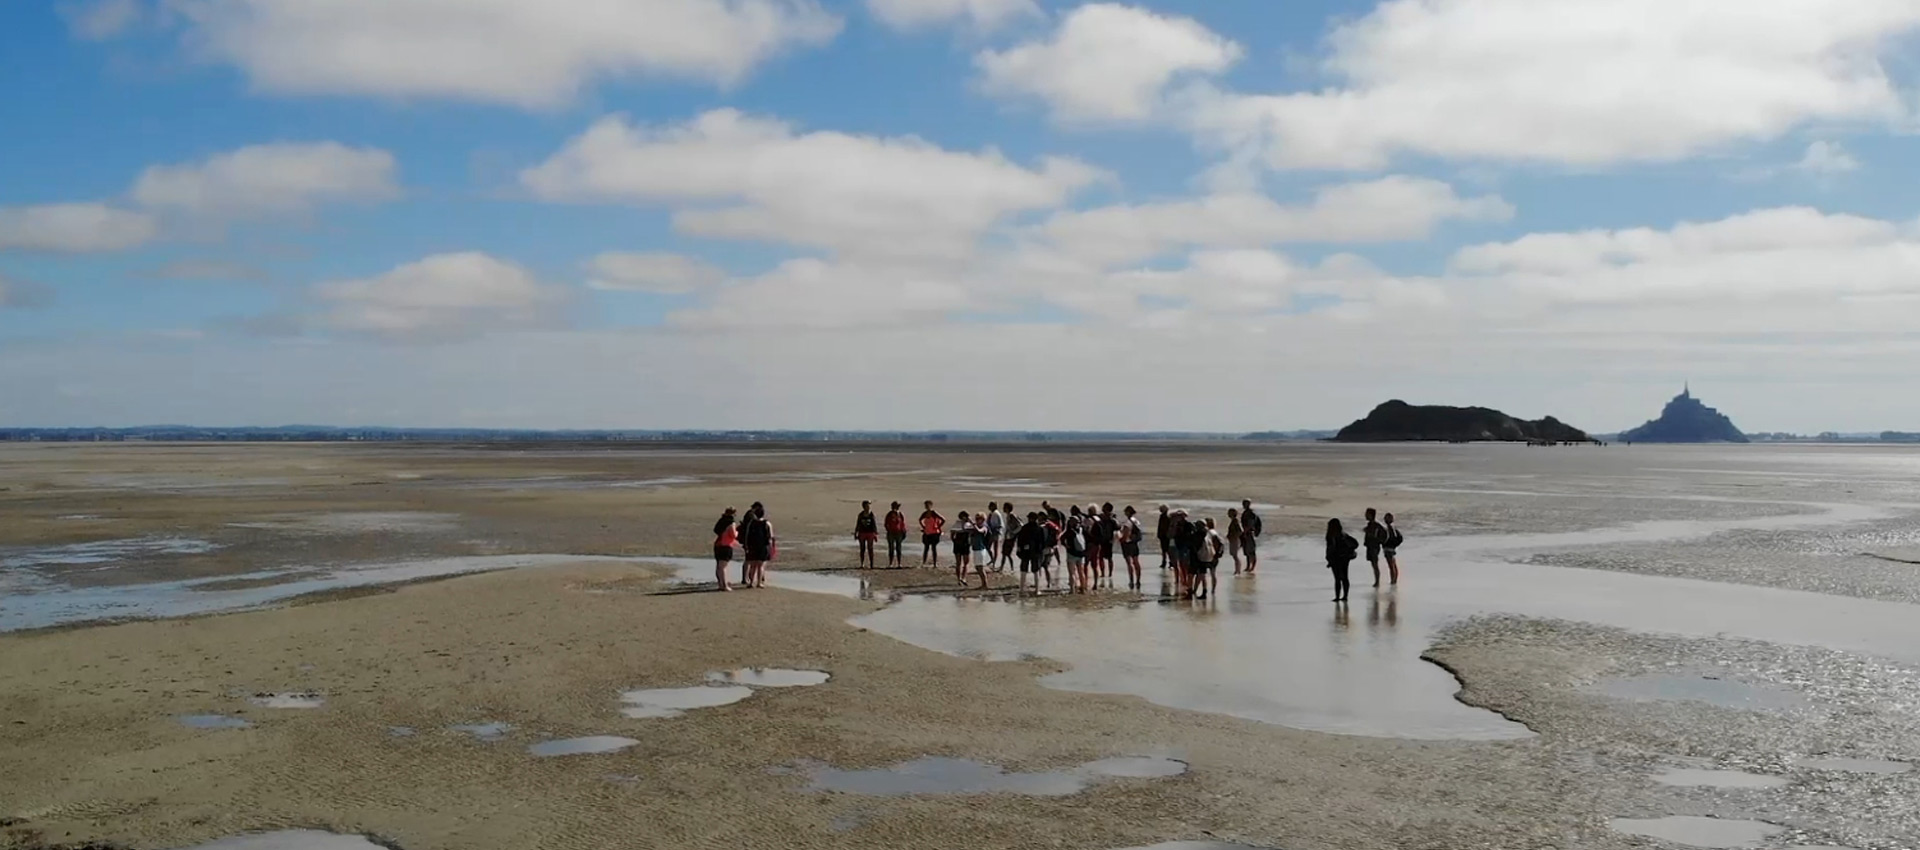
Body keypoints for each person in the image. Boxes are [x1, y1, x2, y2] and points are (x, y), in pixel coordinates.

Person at [740, 503, 777, 589]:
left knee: (753, 565)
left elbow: (747, 536)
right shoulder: (767, 523)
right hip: (763, 546)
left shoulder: (751, 523)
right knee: (761, 566)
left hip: (753, 546)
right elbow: (771, 537)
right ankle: (759, 582)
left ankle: (751, 582)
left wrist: (746, 546)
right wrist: (772, 548)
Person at [1325, 518, 1359, 602]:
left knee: (1337, 578)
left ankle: (1337, 596)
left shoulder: (1330, 536)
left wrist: (1329, 559)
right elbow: (1355, 543)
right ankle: (1345, 596)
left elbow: (1330, 549)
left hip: (1336, 559)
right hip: (1344, 558)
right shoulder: (1343, 534)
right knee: (1344, 577)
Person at [1016, 512, 1046, 595]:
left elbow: (1020, 540)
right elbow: (1043, 542)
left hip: (1026, 552)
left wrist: (1019, 550)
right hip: (1036, 552)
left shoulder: (1025, 528)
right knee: (1035, 570)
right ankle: (1037, 590)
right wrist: (1040, 551)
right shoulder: (1039, 529)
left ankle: (1022, 590)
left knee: (1024, 570)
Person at [711, 506, 739, 592]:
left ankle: (720, 584)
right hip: (726, 545)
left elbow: (715, 530)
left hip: (718, 544)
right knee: (723, 567)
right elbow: (733, 535)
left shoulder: (721, 521)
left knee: (719, 566)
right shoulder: (731, 523)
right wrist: (738, 532)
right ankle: (724, 585)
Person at [1198, 518, 1225, 600]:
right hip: (1215, 555)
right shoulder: (1215, 532)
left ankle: (1203, 590)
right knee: (1213, 574)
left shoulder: (1209, 533)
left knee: (1202, 574)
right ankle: (1213, 590)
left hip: (1209, 555)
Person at [1062, 512, 1089, 593]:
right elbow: (1088, 538)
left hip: (1071, 553)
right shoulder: (1082, 529)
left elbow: (1061, 538)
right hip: (1081, 553)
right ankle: (1083, 588)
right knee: (1081, 572)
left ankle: (1072, 590)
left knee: (1072, 572)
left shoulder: (1069, 531)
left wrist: (1066, 546)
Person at [1120, 506, 1145, 590]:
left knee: (1129, 563)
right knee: (1136, 562)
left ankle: (1131, 580)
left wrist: (1121, 539)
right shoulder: (1136, 521)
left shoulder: (1127, 523)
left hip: (1127, 544)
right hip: (1135, 543)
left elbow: (1126, 534)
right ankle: (1138, 580)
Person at [1362, 507, 1387, 587]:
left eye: (1367, 514)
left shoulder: (1375, 525)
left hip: (1374, 547)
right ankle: (1377, 581)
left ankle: (1377, 581)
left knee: (1375, 564)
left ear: (1371, 515)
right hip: (1371, 546)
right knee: (1373, 564)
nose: (1365, 515)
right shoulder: (1371, 525)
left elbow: (1383, 534)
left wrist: (1378, 541)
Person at [1240, 499, 1264, 574]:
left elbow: (1250, 524)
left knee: (1251, 551)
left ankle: (1252, 567)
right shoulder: (1246, 513)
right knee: (1247, 551)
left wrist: (1245, 532)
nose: (1244, 505)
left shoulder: (1251, 513)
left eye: (1245, 504)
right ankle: (1248, 566)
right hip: (1247, 533)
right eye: (1243, 504)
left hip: (1250, 533)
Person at [919, 501, 946, 567]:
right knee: (926, 548)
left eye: (928, 505)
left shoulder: (934, 513)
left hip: (934, 533)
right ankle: (924, 562)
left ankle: (934, 563)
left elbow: (943, 520)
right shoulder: (925, 513)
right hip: (927, 533)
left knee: (934, 548)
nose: (926, 507)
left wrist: (938, 526)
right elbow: (920, 520)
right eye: (926, 505)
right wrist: (924, 527)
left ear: (931, 506)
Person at [854, 501, 880, 569]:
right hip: (862, 533)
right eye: (867, 506)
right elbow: (858, 524)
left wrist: (875, 534)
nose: (868, 507)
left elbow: (874, 525)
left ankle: (871, 564)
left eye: (869, 506)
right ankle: (862, 563)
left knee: (870, 549)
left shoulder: (871, 515)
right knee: (862, 549)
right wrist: (856, 533)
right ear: (864, 507)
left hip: (870, 533)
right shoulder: (861, 515)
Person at [951, 511, 973, 585]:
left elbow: (952, 533)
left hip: (962, 543)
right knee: (960, 562)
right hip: (962, 543)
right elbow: (952, 533)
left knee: (964, 562)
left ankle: (962, 578)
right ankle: (960, 578)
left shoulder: (966, 524)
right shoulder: (960, 524)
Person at [884, 502, 908, 568]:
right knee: (891, 549)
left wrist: (904, 531)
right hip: (891, 533)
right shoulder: (889, 514)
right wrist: (889, 530)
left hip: (899, 533)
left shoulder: (900, 514)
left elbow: (903, 524)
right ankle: (890, 563)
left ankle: (899, 563)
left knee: (899, 548)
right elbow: (886, 523)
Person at [997, 503, 1020, 571]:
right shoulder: (1008, 516)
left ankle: (1012, 568)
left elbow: (1020, 525)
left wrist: (1013, 532)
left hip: (1011, 538)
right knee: (1004, 553)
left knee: (1008, 554)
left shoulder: (1012, 516)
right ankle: (1002, 567)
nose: (1003, 508)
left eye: (1004, 507)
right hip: (1007, 537)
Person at [1382, 512, 1404, 585]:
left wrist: (1386, 543)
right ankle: (1394, 579)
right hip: (1391, 547)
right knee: (1393, 564)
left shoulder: (1389, 528)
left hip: (1388, 548)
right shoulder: (1393, 528)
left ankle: (1393, 580)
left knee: (1391, 565)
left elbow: (1391, 538)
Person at [971, 512, 992, 578]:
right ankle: (983, 584)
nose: (977, 520)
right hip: (976, 548)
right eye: (976, 519)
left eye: (978, 519)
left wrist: (974, 524)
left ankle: (985, 585)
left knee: (980, 567)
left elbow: (979, 531)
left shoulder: (984, 527)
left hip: (980, 549)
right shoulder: (975, 527)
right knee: (977, 567)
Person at [984, 502, 1004, 570]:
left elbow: (997, 524)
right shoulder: (992, 514)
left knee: (993, 547)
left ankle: (994, 562)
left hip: (995, 532)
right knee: (989, 547)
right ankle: (993, 560)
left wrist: (993, 531)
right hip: (993, 532)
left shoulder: (995, 514)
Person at [1226, 508, 1244, 574]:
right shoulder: (1233, 521)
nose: (1228, 514)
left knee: (1235, 555)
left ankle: (1238, 570)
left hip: (1235, 540)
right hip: (1233, 540)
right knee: (1234, 555)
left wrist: (1235, 536)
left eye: (1229, 513)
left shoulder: (1235, 521)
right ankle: (1237, 569)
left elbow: (1240, 531)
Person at [1155, 505, 1173, 569]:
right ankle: (1166, 562)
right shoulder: (1164, 516)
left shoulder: (1167, 517)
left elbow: (1163, 526)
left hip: (1165, 536)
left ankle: (1169, 562)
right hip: (1164, 536)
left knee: (1167, 550)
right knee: (1165, 550)